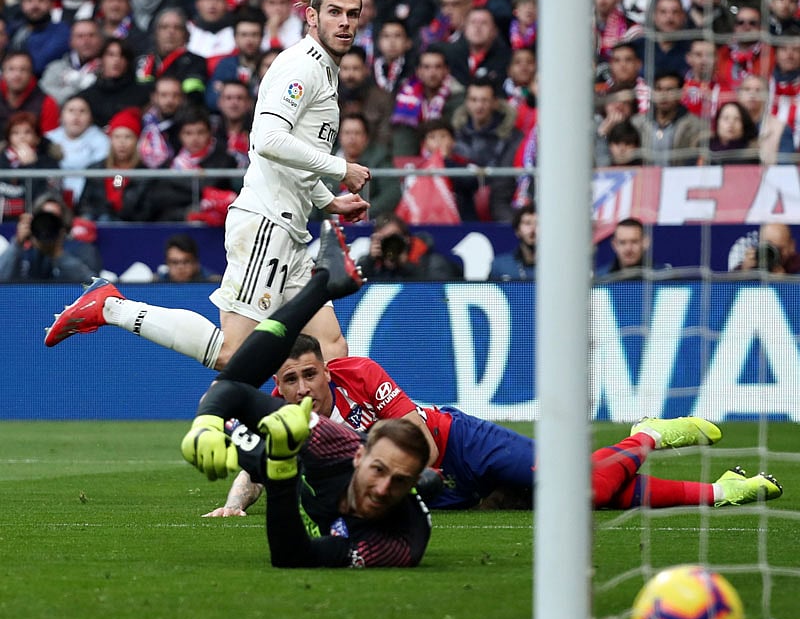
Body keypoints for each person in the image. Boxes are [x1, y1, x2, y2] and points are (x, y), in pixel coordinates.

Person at [198, 256, 783, 520]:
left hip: (456, 445)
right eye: (289, 380)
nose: (300, 388)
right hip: (429, 488)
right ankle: (720, 493)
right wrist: (232, 505)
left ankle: (649, 437)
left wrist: (422, 474)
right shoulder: (281, 411)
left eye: (308, 375)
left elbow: (417, 430)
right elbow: (260, 460)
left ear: (327, 369)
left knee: (580, 491)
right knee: (579, 500)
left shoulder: (361, 375)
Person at [46, 0, 371, 371]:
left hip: (290, 227)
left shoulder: (324, 72)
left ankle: (323, 434)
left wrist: (327, 200)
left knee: (330, 348)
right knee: (232, 353)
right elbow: (267, 139)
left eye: (352, 14)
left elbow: (291, 157)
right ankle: (111, 307)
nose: (344, 22)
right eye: (334, 12)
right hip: (266, 223)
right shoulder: (301, 67)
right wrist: (341, 168)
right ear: (311, 18)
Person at [181, 220, 434, 568]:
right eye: (378, 470)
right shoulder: (330, 440)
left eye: (399, 481)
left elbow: (293, 556)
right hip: (311, 455)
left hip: (298, 468)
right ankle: (322, 285)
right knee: (220, 393)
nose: (382, 488)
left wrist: (281, 474)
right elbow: (229, 393)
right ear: (359, 456)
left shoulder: (395, 545)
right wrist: (208, 423)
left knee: (228, 376)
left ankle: (322, 284)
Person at [452, 76, 523, 221]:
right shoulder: (454, 134)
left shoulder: (511, 136)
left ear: (495, 103)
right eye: (474, 100)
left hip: (501, 199)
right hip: (463, 200)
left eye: (484, 100)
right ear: (466, 102)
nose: (479, 106)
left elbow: (505, 179)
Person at [0, 192, 96, 282]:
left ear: (64, 222)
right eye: (43, 219)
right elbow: (2, 280)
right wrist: (17, 242)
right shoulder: (25, 252)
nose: (47, 225)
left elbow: (92, 284)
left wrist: (57, 254)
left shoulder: (82, 249)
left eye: (53, 219)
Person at [391, 44, 466, 158]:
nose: (432, 73)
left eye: (437, 67)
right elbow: (403, 140)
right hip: (415, 164)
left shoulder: (458, 97)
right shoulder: (406, 97)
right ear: (418, 71)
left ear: (446, 70)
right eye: (426, 67)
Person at [78, 107, 150, 221]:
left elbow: (145, 211)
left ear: (136, 140)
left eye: (128, 137)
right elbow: (84, 204)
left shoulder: (145, 174)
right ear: (110, 140)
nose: (122, 143)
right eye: (117, 137)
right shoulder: (95, 170)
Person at [630, 71, 708, 166]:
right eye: (659, 89)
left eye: (670, 90)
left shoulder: (697, 125)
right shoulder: (637, 123)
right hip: (645, 178)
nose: (663, 95)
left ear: (681, 94)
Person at [357, 212, 463, 281]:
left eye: (393, 238)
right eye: (383, 239)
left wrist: (405, 264)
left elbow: (435, 294)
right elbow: (352, 288)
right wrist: (370, 261)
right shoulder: (372, 265)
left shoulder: (434, 263)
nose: (389, 244)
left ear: (406, 239)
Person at [330, 112, 399, 217]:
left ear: (366, 138)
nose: (352, 138)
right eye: (347, 133)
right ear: (340, 136)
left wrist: (364, 212)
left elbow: (392, 193)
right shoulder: (329, 158)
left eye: (357, 133)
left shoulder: (379, 157)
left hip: (366, 223)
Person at [45, 94, 110, 204]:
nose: (76, 116)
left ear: (90, 117)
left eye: (82, 111)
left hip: (90, 198)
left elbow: (104, 176)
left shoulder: (102, 140)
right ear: (61, 116)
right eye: (71, 111)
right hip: (53, 197)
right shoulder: (49, 139)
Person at [0, 111, 62, 220]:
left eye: (27, 132)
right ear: (8, 138)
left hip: (35, 219)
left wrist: (30, 165)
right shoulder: (1, 159)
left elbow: (42, 197)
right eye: (15, 133)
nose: (21, 137)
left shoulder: (49, 163)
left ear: (37, 138)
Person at [78, 37, 152, 128]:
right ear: (101, 59)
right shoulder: (86, 96)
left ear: (128, 61)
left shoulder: (142, 94)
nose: (116, 60)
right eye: (111, 55)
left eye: (122, 56)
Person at [205, 8, 265, 112]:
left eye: (254, 34)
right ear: (235, 37)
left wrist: (226, 92)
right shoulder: (225, 65)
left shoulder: (270, 63)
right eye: (244, 35)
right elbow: (211, 100)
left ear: (262, 37)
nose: (249, 40)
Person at [6, 0, 71, 76]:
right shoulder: (13, 28)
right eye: (29, 0)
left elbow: (37, 65)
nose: (34, 6)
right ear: (22, 4)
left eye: (41, 0)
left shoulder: (62, 32)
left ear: (52, 4)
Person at [39, 18, 103, 105]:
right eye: (80, 36)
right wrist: (76, 89)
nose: (86, 41)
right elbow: (44, 96)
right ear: (71, 41)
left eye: (91, 35)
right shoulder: (55, 68)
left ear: (100, 39)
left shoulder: (109, 68)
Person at [445, 7, 512, 87]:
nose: (477, 27)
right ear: (465, 29)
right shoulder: (451, 57)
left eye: (483, 23)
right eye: (473, 22)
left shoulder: (507, 60)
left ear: (494, 31)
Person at [736, 74, 795, 165]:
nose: (752, 94)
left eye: (758, 90)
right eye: (747, 89)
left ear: (767, 96)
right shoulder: (726, 126)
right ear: (738, 95)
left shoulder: (781, 129)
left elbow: (786, 170)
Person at [0, 50, 60, 136]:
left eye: (23, 70)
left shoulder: (47, 103)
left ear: (31, 74)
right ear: (3, 73)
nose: (17, 75)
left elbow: (50, 142)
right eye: (11, 69)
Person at [138, 74, 185, 168]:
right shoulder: (141, 123)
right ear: (154, 97)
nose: (170, 100)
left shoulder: (189, 124)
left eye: (175, 95)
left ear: (182, 98)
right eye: (164, 95)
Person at [595, 217, 664, 277]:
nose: (628, 248)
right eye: (622, 242)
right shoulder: (600, 279)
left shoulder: (663, 277)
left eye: (634, 242)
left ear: (645, 242)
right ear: (614, 244)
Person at [729, 222, 800, 274]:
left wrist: (786, 283)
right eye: (769, 248)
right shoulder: (754, 262)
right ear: (759, 244)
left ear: (791, 246)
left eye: (779, 249)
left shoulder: (797, 266)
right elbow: (726, 291)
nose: (775, 253)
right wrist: (744, 272)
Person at [704, 100, 760, 165]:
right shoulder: (704, 149)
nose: (731, 123)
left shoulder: (751, 154)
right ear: (717, 122)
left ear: (744, 124)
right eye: (726, 118)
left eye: (737, 119)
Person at [489, 202, 535, 280]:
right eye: (527, 223)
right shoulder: (500, 266)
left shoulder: (556, 266)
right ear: (517, 230)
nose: (533, 229)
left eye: (538, 224)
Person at [155, 233, 222, 283]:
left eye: (186, 261)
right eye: (174, 262)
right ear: (167, 263)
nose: (180, 267)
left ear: (196, 263)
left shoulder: (213, 284)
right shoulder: (155, 284)